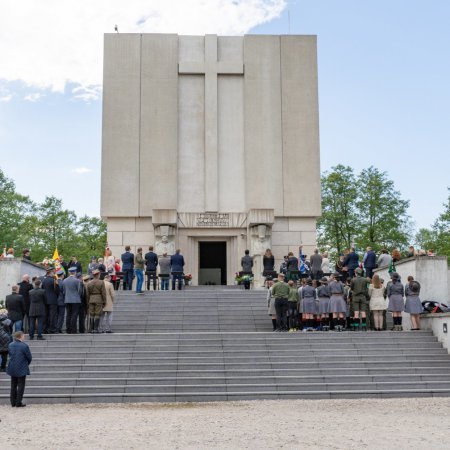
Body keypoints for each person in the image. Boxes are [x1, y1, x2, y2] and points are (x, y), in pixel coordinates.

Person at [7, 331, 32, 407]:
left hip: (12, 367)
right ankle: (18, 402)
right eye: (23, 335)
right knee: (21, 385)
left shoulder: (10, 345)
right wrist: (25, 364)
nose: (24, 337)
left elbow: (10, 355)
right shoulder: (24, 346)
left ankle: (13, 402)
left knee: (13, 385)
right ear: (20, 336)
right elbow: (29, 357)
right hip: (21, 367)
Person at [62, 266, 82, 334]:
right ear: (75, 272)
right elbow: (80, 291)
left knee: (68, 315)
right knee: (74, 315)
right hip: (75, 300)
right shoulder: (77, 280)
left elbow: (64, 291)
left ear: (69, 272)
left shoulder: (64, 280)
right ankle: (73, 330)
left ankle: (68, 329)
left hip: (67, 299)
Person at [41, 267, 59, 334]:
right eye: (53, 272)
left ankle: (44, 329)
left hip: (45, 300)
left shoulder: (43, 280)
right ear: (50, 273)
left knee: (45, 315)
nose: (54, 274)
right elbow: (57, 290)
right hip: (53, 300)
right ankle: (52, 329)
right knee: (52, 315)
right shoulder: (54, 280)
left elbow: (42, 290)